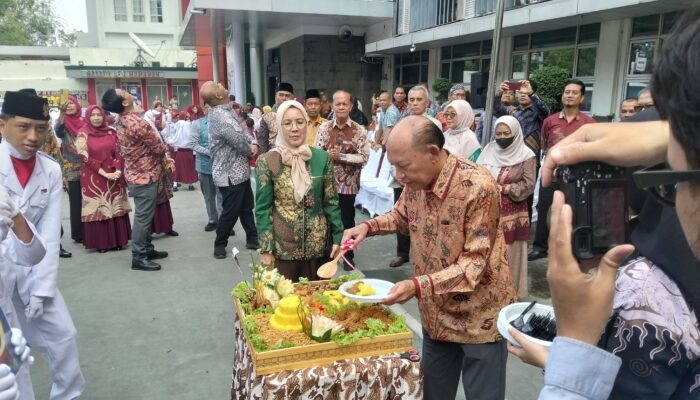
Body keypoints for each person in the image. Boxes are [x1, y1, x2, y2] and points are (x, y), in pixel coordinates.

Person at [343, 115, 516, 400]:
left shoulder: (478, 187)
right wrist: (367, 227)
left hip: (480, 317)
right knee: (434, 393)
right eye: (394, 166)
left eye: (404, 166)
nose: (398, 175)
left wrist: (416, 286)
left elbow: (473, 264)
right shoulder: (415, 183)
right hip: (436, 314)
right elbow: (401, 215)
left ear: (433, 153)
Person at [0, 90, 86, 399]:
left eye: (40, 128)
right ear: (2, 126)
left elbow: (50, 234)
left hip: (34, 267)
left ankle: (67, 395)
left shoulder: (49, 168)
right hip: (2, 270)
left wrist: (43, 288)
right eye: (23, 127)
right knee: (11, 356)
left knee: (65, 337)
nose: (33, 136)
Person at [255, 100, 343, 281]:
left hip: (318, 248)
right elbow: (263, 208)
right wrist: (266, 249)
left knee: (318, 296)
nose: (294, 128)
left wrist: (337, 238)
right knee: (285, 297)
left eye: (299, 122)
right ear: (279, 127)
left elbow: (331, 202)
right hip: (283, 250)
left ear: (306, 124)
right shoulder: (267, 161)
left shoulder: (322, 158)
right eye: (287, 123)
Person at [102, 88, 170, 271]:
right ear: (125, 102)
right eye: (124, 92)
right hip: (145, 175)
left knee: (145, 215)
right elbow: (158, 146)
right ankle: (139, 256)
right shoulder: (136, 122)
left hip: (136, 173)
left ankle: (147, 249)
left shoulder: (121, 119)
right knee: (143, 217)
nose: (128, 92)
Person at [528, 79, 595, 261]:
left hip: (576, 177)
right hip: (552, 174)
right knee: (544, 209)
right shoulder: (550, 121)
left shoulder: (589, 124)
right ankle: (540, 247)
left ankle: (573, 248)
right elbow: (544, 145)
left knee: (575, 212)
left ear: (582, 98)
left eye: (574, 92)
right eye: (567, 92)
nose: (570, 95)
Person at [477, 116, 536, 298]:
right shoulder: (489, 149)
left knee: (508, 255)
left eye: (506, 133)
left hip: (512, 214)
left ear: (515, 133)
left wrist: (505, 188)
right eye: (499, 133)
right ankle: (487, 294)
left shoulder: (526, 155)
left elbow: (529, 185)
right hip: (487, 211)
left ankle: (508, 293)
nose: (502, 137)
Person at [200, 81, 259, 259]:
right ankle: (220, 244)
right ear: (218, 96)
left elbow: (242, 131)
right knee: (230, 211)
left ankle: (252, 238)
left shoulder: (226, 110)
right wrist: (251, 149)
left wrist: (253, 142)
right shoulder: (221, 117)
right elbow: (239, 141)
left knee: (246, 207)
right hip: (230, 174)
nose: (221, 84)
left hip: (239, 171)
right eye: (217, 85)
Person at [315, 90, 369, 270]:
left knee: (347, 221)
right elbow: (317, 153)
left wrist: (342, 157)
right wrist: (327, 155)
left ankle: (347, 256)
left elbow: (364, 158)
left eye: (344, 104)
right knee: (327, 219)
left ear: (350, 106)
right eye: (337, 104)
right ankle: (328, 254)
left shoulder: (359, 130)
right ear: (332, 106)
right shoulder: (324, 128)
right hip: (327, 183)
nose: (341, 107)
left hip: (348, 185)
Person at [75, 105, 132, 253]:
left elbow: (119, 151)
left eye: (99, 115)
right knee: (99, 206)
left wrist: (117, 169)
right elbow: (84, 156)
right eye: (92, 115)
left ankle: (119, 240)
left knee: (115, 205)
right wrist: (104, 173)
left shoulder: (111, 132)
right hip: (93, 176)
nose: (96, 118)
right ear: (88, 117)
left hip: (114, 175)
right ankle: (102, 243)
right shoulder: (83, 133)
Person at [34, 93, 71, 259]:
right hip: (22, 174)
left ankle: (56, 245)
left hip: (44, 173)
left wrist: (63, 173)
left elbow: (55, 149)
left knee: (50, 211)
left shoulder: (46, 126)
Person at [54, 95, 84, 245]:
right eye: (67, 104)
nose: (70, 106)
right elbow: (58, 131)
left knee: (89, 199)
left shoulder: (85, 121)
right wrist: (61, 113)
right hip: (71, 166)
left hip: (88, 164)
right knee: (76, 200)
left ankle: (91, 230)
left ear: (77, 105)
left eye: (72, 103)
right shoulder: (63, 123)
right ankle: (78, 233)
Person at [189, 104, 221, 232]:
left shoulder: (222, 123)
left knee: (222, 195)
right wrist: (209, 152)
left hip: (222, 165)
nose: (211, 109)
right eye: (208, 107)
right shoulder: (197, 124)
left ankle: (223, 222)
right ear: (204, 109)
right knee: (208, 196)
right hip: (204, 165)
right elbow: (193, 144)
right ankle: (212, 220)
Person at [258, 82, 294, 154]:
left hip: (294, 155)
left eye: (287, 95)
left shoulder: (298, 115)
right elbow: (263, 143)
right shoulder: (267, 117)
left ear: (292, 98)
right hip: (273, 156)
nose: (284, 98)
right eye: (281, 95)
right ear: (275, 97)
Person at [169, 111, 198, 191]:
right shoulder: (188, 124)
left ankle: (175, 185)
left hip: (180, 151)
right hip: (188, 151)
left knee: (178, 168)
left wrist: (170, 141)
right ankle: (190, 184)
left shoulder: (177, 124)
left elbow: (174, 135)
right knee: (189, 168)